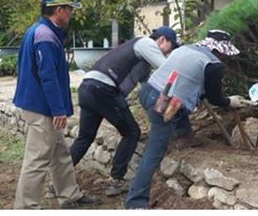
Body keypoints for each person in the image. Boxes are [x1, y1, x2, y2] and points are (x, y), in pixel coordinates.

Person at [125, 29, 249, 209]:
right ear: (220, 50)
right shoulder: (213, 65)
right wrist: (230, 101)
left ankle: (184, 135)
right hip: (162, 103)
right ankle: (135, 203)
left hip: (147, 92)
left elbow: (193, 85)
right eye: (224, 54)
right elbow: (214, 97)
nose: (224, 58)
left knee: (180, 108)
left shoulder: (185, 49)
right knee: (154, 152)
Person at [13, 0, 100, 209]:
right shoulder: (45, 37)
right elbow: (48, 77)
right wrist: (58, 110)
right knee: (37, 158)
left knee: (60, 154)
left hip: (39, 105)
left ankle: (69, 195)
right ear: (59, 11)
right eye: (69, 10)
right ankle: (25, 207)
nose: (70, 14)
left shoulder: (38, 31)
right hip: (42, 108)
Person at [68, 26, 180, 197]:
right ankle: (116, 180)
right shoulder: (146, 43)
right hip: (103, 90)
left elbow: (150, 86)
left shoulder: (143, 61)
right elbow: (167, 70)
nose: (167, 53)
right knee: (132, 132)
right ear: (163, 39)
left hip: (88, 89)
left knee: (86, 136)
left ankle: (60, 182)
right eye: (169, 48)